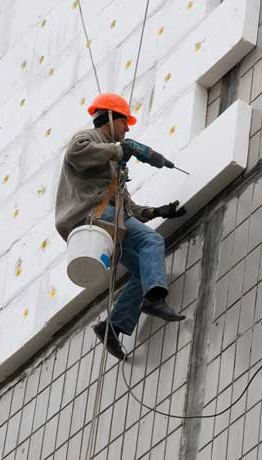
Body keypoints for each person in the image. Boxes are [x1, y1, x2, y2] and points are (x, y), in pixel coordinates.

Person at [55, 93, 188, 360]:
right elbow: (75, 152)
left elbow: (125, 207)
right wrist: (120, 150)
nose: (127, 129)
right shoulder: (90, 139)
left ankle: (113, 327)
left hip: (106, 221)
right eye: (125, 122)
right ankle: (154, 299)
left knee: (142, 270)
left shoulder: (114, 162)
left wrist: (156, 211)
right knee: (152, 242)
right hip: (93, 216)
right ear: (111, 117)